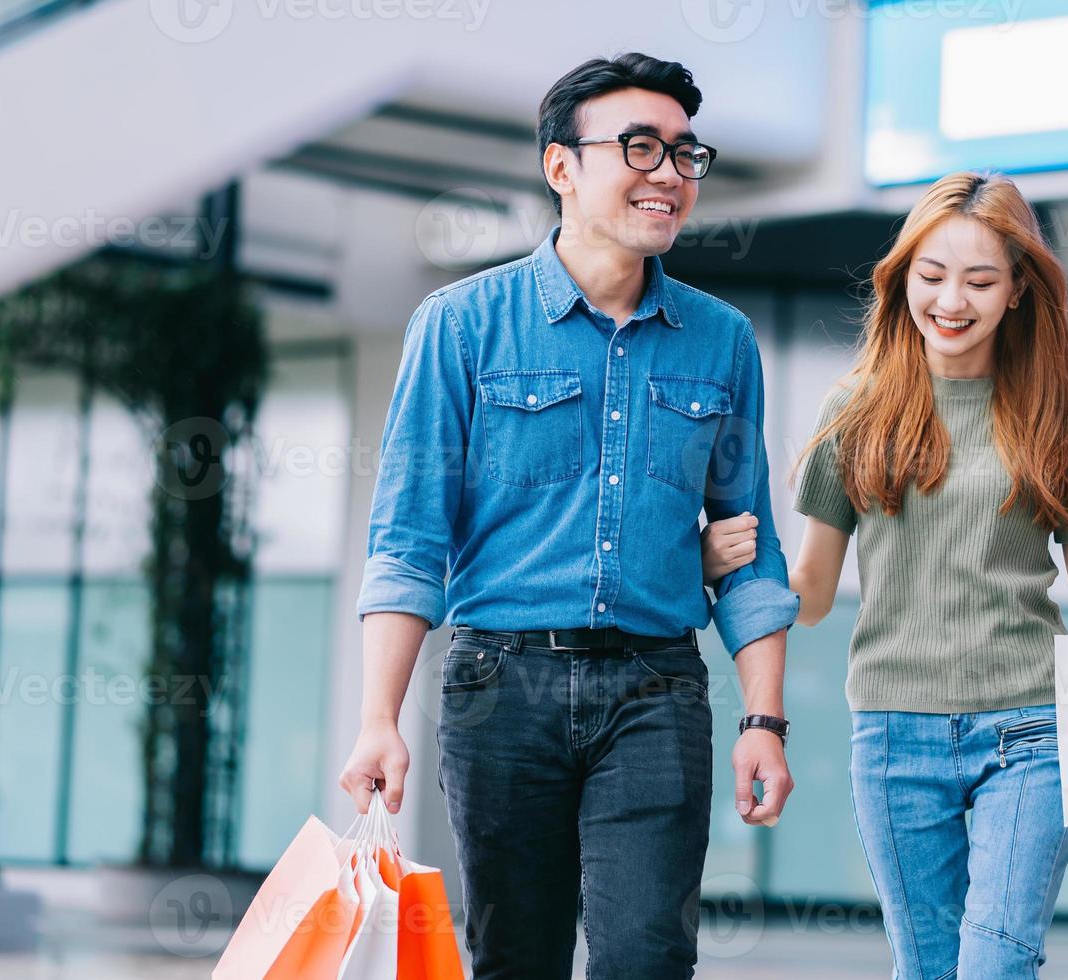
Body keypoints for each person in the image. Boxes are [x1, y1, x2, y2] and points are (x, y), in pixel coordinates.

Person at [339, 53, 800, 980]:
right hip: (500, 688)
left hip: (657, 689)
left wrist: (765, 720)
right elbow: (409, 537)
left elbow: (752, 553)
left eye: (683, 153)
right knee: (518, 957)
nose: (667, 174)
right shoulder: (462, 325)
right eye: (638, 148)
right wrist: (377, 718)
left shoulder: (722, 341)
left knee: (646, 956)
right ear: (561, 167)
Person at [701, 171, 1068, 977]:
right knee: (926, 967)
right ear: (902, 276)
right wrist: (709, 560)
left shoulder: (1057, 414)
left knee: (994, 963)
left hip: (1030, 731)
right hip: (890, 735)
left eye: (980, 280)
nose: (951, 300)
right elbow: (807, 597)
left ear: (1018, 290)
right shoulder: (856, 409)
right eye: (932, 274)